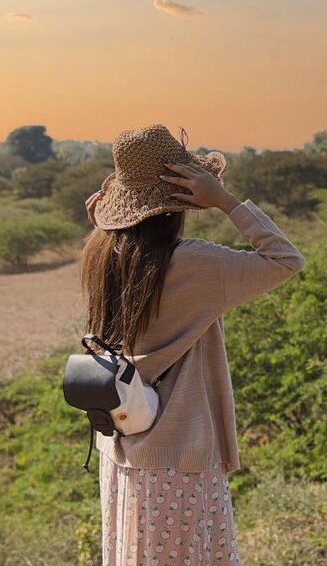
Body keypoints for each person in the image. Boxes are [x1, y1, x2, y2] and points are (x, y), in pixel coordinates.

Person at [79, 124, 305, 566]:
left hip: (122, 446)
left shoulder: (100, 254)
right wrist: (225, 201)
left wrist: (101, 229)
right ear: (179, 200)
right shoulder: (194, 263)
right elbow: (286, 259)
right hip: (179, 456)